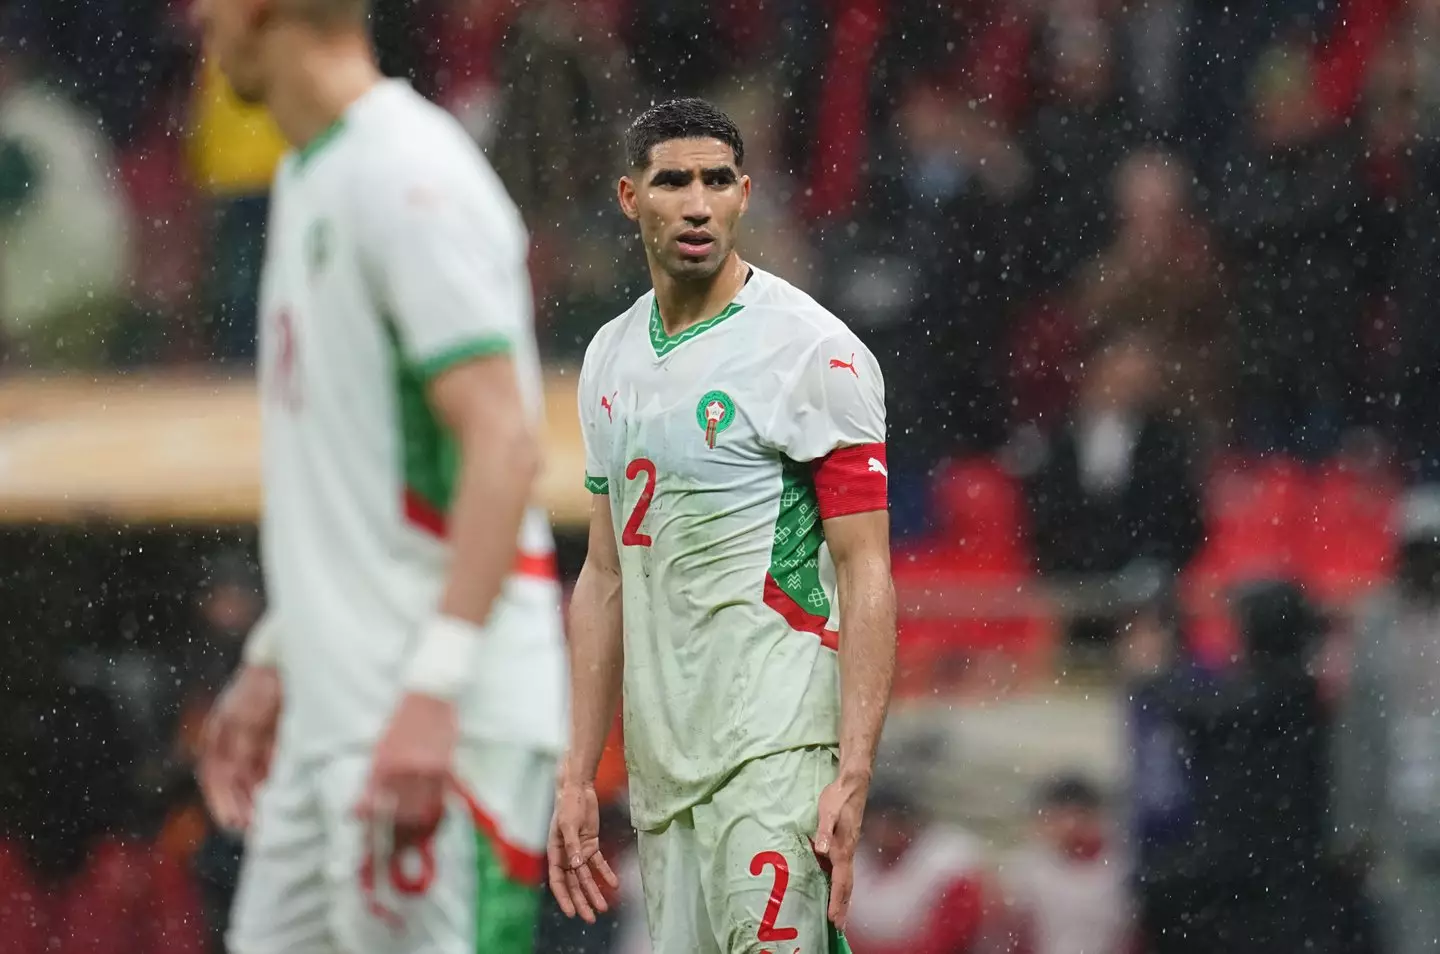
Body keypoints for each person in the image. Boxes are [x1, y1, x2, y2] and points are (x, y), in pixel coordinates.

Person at [189, 1, 567, 952]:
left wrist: (435, 692)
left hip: (440, 720)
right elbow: (356, 480)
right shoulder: (309, 175)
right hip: (338, 713)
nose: (195, 16)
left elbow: (504, 444)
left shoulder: (410, 173)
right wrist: (281, 654)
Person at [550, 98, 898, 953]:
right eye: (674, 181)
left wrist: (854, 770)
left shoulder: (815, 352)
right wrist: (578, 772)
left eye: (717, 181)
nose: (698, 204)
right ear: (630, 197)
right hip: (664, 770)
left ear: (745, 194)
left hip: (777, 750)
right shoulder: (608, 358)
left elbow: (866, 570)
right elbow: (604, 574)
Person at [994, 774, 1135, 954]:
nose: (1071, 826)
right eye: (1060, 817)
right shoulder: (1024, 872)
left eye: (1080, 816)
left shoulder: (1121, 869)